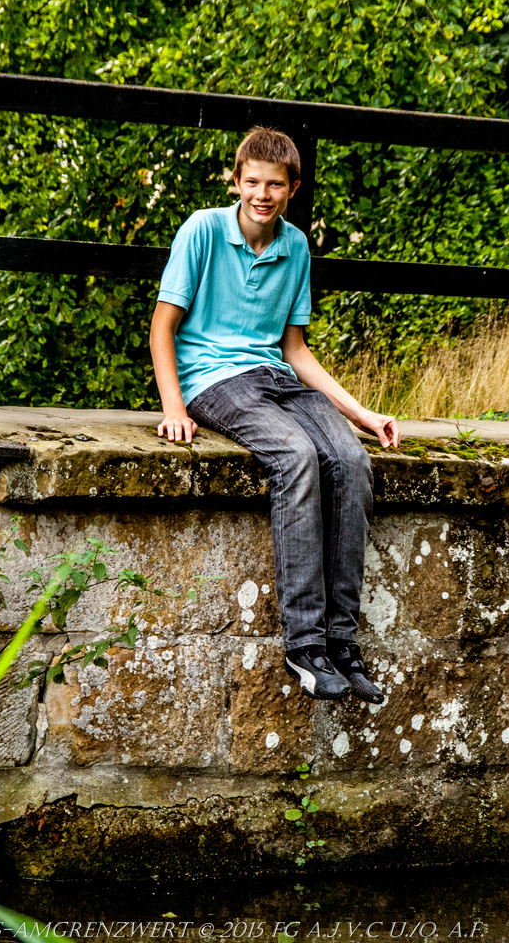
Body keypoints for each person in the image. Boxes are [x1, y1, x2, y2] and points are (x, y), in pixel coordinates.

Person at [149, 127, 400, 704]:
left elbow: (295, 350)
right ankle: (305, 645)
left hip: (276, 378)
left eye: (275, 185)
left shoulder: (296, 248)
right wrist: (174, 409)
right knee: (297, 456)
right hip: (215, 381)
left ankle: (342, 642)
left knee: (350, 459)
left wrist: (361, 413)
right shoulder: (203, 230)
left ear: (292, 189)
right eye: (253, 182)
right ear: (235, 182)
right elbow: (163, 328)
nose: (263, 194)